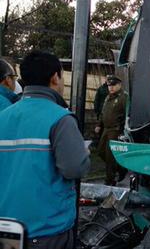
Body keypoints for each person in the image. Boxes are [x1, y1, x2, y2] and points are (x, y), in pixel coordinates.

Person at [0, 51, 90, 248]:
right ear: (55, 77)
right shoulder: (60, 118)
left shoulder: (3, 116)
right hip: (47, 232)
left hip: (7, 228)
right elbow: (74, 168)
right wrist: (84, 154)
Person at [95, 75, 127, 186]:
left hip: (116, 129)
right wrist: (99, 124)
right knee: (100, 152)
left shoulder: (123, 97)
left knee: (110, 156)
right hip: (106, 129)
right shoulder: (108, 97)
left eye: (113, 85)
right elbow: (103, 112)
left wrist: (123, 130)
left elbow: (127, 114)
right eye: (109, 86)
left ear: (119, 85)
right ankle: (121, 168)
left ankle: (110, 180)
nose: (111, 88)